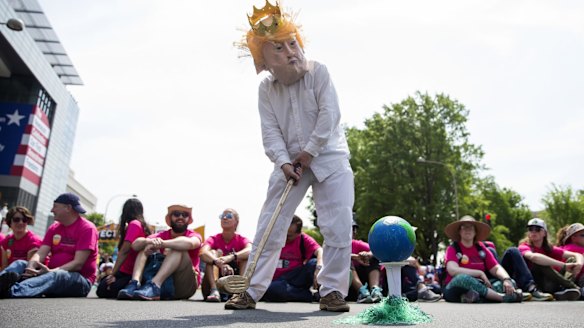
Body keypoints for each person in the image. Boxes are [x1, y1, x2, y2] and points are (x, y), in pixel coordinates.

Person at [225, 1, 354, 312]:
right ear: (265, 61)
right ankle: (250, 291)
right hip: (288, 165)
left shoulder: (318, 71)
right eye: (278, 49)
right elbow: (270, 132)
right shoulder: (266, 90)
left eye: (292, 43)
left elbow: (330, 115)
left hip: (329, 157)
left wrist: (308, 152)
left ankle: (332, 291)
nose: (290, 52)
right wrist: (283, 162)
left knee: (337, 223)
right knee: (270, 222)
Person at [0, 193, 98, 298]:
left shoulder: (87, 229)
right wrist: (31, 265)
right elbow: (41, 253)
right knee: (20, 263)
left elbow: (78, 264)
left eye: (55, 206)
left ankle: (13, 291)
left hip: (80, 280)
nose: (52, 210)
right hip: (50, 273)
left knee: (58, 275)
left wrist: (50, 271)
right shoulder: (54, 228)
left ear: (68, 208)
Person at [117, 204, 202, 301]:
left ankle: (155, 285)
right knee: (145, 247)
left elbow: (190, 243)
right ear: (170, 218)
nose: (180, 217)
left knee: (178, 248)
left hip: (183, 286)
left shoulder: (193, 235)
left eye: (185, 215)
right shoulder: (161, 235)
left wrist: (163, 244)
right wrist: (148, 242)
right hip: (163, 282)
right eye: (177, 214)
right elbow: (135, 245)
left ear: (189, 219)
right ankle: (134, 283)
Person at [442, 215, 523, 303]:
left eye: (471, 227)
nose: (467, 229)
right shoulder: (453, 248)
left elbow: (496, 268)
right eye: (464, 227)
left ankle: (477, 298)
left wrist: (506, 280)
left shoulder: (481, 248)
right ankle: (502, 298)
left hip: (480, 285)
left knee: (510, 283)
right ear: (459, 231)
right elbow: (452, 270)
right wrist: (479, 273)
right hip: (455, 287)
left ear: (475, 232)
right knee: (463, 278)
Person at [96, 198, 152, 298]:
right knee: (103, 287)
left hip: (128, 272)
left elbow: (124, 251)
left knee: (104, 288)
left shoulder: (134, 224)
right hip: (128, 272)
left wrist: (113, 274)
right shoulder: (141, 226)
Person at [261, 215, 323, 302]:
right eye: (283, 233)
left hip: (297, 276)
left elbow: (320, 251)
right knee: (273, 289)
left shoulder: (303, 239)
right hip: (276, 279)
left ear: (298, 234)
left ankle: (324, 292)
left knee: (314, 263)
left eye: (289, 235)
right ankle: (309, 295)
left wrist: (319, 267)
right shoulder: (272, 238)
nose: (284, 238)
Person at [518, 218, 583, 301]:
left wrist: (579, 264)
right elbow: (534, 257)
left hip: (554, 281)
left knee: (572, 260)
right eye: (530, 229)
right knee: (540, 262)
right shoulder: (523, 246)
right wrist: (563, 265)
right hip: (538, 283)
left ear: (544, 233)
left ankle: (565, 290)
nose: (533, 232)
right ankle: (572, 287)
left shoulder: (549, 248)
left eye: (537, 229)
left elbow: (576, 255)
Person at [200, 208, 252, 302]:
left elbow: (251, 250)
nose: (224, 218)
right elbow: (203, 252)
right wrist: (219, 263)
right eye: (222, 216)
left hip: (233, 281)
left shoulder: (241, 239)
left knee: (245, 258)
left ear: (236, 222)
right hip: (212, 282)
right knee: (212, 254)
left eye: (228, 216)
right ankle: (214, 290)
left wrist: (231, 257)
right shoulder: (213, 238)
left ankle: (239, 292)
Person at [349, 219, 384, 303]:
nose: (354, 232)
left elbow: (377, 251)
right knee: (345, 260)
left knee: (373, 257)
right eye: (351, 229)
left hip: (366, 281)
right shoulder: (334, 246)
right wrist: (354, 257)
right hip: (348, 286)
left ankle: (375, 290)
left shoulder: (358, 244)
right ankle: (361, 291)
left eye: (354, 229)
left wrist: (368, 254)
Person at [556, 223, 584, 295]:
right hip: (576, 280)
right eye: (583, 235)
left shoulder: (563, 248)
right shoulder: (573, 248)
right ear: (573, 237)